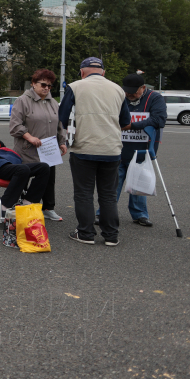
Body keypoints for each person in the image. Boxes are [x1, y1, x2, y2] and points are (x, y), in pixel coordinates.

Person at [58, 57, 131, 247]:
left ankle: (86, 233)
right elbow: (125, 122)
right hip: (112, 149)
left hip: (84, 148)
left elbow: (62, 116)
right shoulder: (118, 89)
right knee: (108, 194)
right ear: (103, 73)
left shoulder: (75, 87)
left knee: (84, 193)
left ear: (82, 72)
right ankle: (111, 235)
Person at [9, 69, 68, 221]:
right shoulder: (22, 100)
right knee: (23, 178)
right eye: (43, 84)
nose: (47, 88)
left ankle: (48, 208)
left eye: (50, 86)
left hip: (48, 150)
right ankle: (16, 205)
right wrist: (29, 137)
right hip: (27, 150)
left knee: (49, 180)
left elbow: (59, 125)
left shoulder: (53, 102)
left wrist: (62, 142)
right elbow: (15, 125)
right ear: (34, 84)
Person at [110, 73, 167, 227]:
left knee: (139, 182)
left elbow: (159, 119)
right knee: (113, 183)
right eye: (127, 91)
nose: (130, 94)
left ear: (143, 88)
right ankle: (105, 212)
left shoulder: (155, 98)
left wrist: (132, 125)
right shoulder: (119, 97)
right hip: (118, 148)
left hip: (143, 149)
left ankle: (140, 214)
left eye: (134, 91)